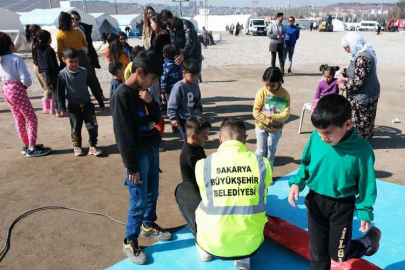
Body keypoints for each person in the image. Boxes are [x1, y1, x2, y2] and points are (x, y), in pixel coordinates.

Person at [288, 94, 381, 270]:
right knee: (317, 253)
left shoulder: (362, 150)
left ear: (347, 125)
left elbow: (366, 183)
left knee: (339, 254)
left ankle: (368, 241)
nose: (323, 137)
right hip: (315, 201)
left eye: (328, 133)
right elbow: (306, 162)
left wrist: (365, 210)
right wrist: (297, 182)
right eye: (319, 131)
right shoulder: (316, 138)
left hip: (341, 206)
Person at [110, 51, 172, 265]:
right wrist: (132, 167)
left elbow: (157, 119)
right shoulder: (121, 96)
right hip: (138, 157)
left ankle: (148, 225)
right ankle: (130, 240)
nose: (154, 82)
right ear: (139, 72)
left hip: (153, 151)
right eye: (152, 78)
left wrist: (151, 101)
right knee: (138, 200)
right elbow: (123, 135)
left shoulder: (144, 93)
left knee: (153, 193)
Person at [194, 118, 272, 270]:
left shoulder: (204, 164)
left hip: (212, 242)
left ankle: (205, 251)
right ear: (245, 139)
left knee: (197, 199)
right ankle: (244, 258)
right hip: (251, 243)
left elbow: (204, 194)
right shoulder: (262, 163)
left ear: (220, 139)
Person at [0, 32, 52, 157]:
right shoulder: (15, 58)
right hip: (17, 89)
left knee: (18, 118)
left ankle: (27, 144)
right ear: (11, 45)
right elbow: (26, 79)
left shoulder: (1, 60)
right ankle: (32, 147)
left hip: (6, 89)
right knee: (31, 118)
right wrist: (24, 86)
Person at [57, 48, 103, 157]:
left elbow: (93, 86)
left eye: (76, 61)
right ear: (64, 60)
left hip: (87, 104)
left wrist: (100, 101)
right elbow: (59, 92)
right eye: (71, 61)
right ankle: (77, 146)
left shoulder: (85, 71)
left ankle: (92, 146)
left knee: (92, 126)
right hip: (73, 106)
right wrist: (61, 108)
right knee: (75, 127)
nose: (74, 64)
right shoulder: (62, 74)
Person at [57, 12, 105, 108]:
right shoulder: (77, 32)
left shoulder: (60, 34)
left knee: (72, 82)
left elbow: (60, 50)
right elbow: (85, 44)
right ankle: (100, 102)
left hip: (69, 57)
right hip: (81, 57)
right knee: (90, 80)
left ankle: (74, 104)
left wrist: (62, 61)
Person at [338, 32, 380, 140]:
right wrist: (342, 73)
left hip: (365, 96)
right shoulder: (359, 54)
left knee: (362, 123)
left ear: (353, 44)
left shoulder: (363, 58)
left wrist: (344, 86)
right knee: (364, 122)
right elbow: (351, 68)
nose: (345, 50)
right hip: (367, 94)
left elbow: (357, 82)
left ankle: (361, 145)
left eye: (346, 47)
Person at [175, 116, 211, 236]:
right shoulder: (190, 155)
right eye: (205, 135)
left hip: (201, 189)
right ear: (193, 136)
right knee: (203, 230)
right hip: (195, 194)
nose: (207, 138)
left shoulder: (197, 146)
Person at [253, 67, 290, 171]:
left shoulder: (284, 94)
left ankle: (268, 175)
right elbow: (256, 112)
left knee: (271, 152)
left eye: (272, 85)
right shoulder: (261, 92)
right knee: (260, 152)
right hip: (261, 127)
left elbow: (286, 114)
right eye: (266, 85)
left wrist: (271, 116)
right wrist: (268, 121)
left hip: (276, 129)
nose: (269, 88)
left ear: (280, 81)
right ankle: (258, 172)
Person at [70, 11, 106, 102]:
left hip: (87, 55)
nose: (74, 20)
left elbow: (87, 42)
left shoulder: (84, 28)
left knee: (92, 77)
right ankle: (85, 98)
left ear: (79, 20)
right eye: (72, 19)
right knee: (79, 79)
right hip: (74, 58)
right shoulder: (68, 31)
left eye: (76, 19)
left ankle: (100, 95)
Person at [167, 59, 203, 142]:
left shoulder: (195, 84)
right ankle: (188, 154)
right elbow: (172, 104)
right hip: (184, 119)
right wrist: (173, 118)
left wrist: (200, 111)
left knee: (196, 138)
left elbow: (198, 99)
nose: (195, 78)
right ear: (184, 73)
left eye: (197, 75)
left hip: (195, 118)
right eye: (192, 75)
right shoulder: (179, 86)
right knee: (187, 140)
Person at [25, 24, 52, 112]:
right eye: (39, 31)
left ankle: (48, 107)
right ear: (34, 33)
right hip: (40, 67)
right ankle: (47, 108)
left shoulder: (36, 42)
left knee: (46, 87)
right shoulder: (38, 44)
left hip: (38, 66)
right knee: (47, 87)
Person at [37, 30, 60, 115]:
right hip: (51, 73)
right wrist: (59, 72)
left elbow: (39, 62)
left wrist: (41, 71)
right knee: (56, 92)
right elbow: (53, 64)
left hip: (44, 73)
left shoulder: (39, 49)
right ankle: (57, 110)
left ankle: (52, 110)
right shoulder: (49, 50)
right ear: (48, 39)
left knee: (51, 91)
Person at [161, 44, 183, 110]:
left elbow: (163, 79)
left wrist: (163, 90)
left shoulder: (165, 66)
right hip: (179, 87)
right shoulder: (179, 64)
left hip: (169, 90)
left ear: (164, 55)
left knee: (171, 104)